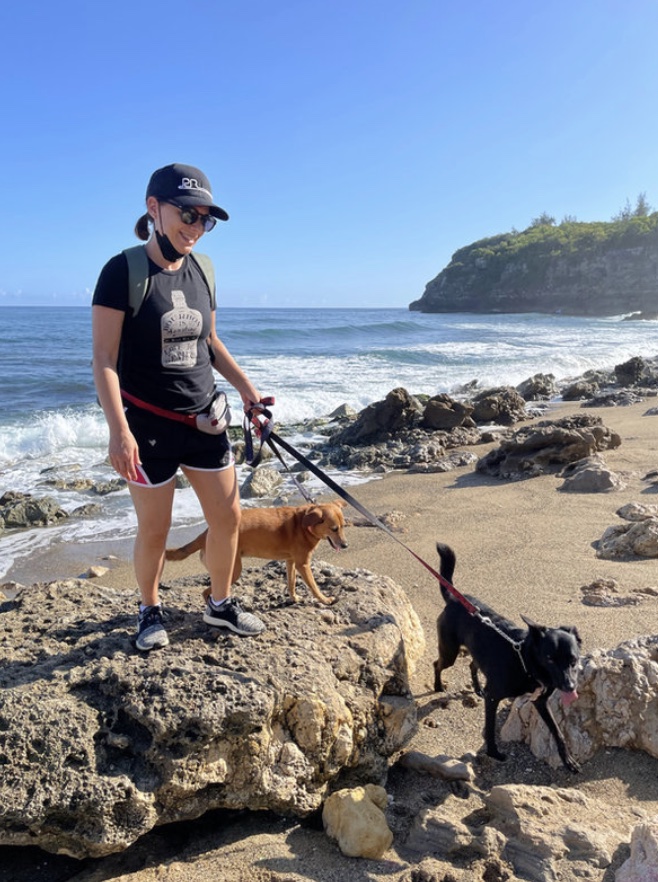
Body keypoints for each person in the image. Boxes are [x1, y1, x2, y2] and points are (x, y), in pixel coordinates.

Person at [92, 162, 267, 651]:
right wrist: (118, 431)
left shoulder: (203, 271)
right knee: (156, 527)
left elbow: (209, 340)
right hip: (147, 427)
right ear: (154, 209)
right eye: (187, 214)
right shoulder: (122, 271)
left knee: (228, 518)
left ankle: (220, 604)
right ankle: (149, 609)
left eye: (204, 219)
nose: (195, 228)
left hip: (205, 420)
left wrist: (247, 388)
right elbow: (104, 359)